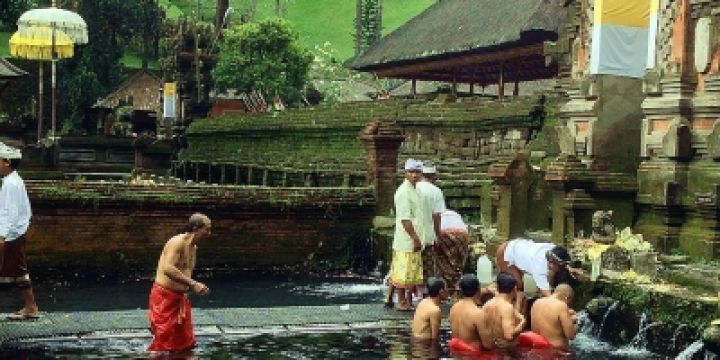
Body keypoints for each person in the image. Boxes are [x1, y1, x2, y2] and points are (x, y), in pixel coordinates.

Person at [148, 213, 212, 352]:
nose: (209, 233)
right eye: (207, 229)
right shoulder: (177, 242)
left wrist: (194, 286)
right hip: (164, 299)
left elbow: (186, 271)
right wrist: (193, 284)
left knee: (186, 343)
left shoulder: (194, 248)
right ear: (196, 228)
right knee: (164, 344)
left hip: (179, 299)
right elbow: (168, 268)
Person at [0, 143, 38, 321]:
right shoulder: (12, 181)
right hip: (14, 232)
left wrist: (3, 235)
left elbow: (11, 213)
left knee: (18, 270)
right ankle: (30, 307)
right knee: (15, 269)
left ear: (6, 162)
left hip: (12, 233)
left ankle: (31, 307)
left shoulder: (12, 184)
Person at [384, 159, 424, 311]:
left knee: (406, 270)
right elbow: (405, 219)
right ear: (405, 173)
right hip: (407, 238)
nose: (414, 175)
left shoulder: (416, 189)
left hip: (413, 236)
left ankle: (399, 299)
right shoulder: (403, 192)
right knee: (404, 271)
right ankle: (401, 300)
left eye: (417, 172)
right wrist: (415, 238)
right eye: (411, 172)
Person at [495, 238, 581, 299]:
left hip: (518, 246)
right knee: (516, 286)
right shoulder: (539, 267)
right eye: (561, 267)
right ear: (551, 263)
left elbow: (561, 259)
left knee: (520, 286)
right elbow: (547, 294)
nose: (562, 269)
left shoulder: (553, 249)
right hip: (505, 253)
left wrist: (569, 268)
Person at [415, 163, 446, 289]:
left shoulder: (413, 187)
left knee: (409, 265)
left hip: (411, 234)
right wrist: (438, 234)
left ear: (421, 174)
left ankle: (404, 296)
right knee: (427, 266)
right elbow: (436, 216)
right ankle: (423, 293)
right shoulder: (436, 191)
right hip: (428, 235)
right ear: (434, 176)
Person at [448, 274, 494, 353]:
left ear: (461, 291)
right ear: (478, 290)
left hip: (457, 354)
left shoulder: (453, 308)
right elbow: (488, 345)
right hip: (474, 356)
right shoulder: (478, 313)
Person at [483, 272, 526, 350]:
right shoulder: (507, 308)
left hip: (493, 349)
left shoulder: (487, 305)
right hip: (507, 352)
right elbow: (509, 336)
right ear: (514, 289)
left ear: (498, 287)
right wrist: (523, 321)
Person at [529, 284, 577, 348]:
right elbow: (571, 335)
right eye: (569, 302)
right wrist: (574, 322)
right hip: (557, 350)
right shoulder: (561, 306)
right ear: (567, 297)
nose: (567, 305)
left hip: (536, 347)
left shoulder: (536, 302)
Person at [435, 209, 470, 298]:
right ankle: (455, 290)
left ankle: (446, 291)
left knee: (442, 261)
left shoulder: (436, 214)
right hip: (463, 234)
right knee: (458, 262)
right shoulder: (455, 215)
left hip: (444, 232)